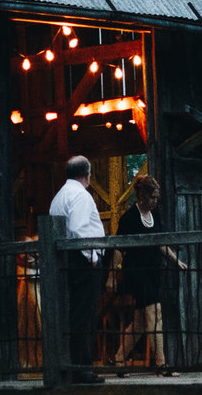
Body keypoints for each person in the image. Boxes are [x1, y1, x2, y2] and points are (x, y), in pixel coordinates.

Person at [111, 173, 189, 368]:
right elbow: (119, 248)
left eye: (157, 198)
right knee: (155, 314)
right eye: (153, 197)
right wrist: (112, 276)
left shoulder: (155, 215)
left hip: (153, 271)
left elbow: (160, 241)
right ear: (143, 196)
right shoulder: (129, 218)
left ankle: (119, 359)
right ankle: (162, 364)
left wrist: (176, 260)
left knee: (139, 323)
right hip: (137, 272)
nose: (155, 201)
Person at [48, 155, 107, 370]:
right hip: (82, 261)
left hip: (67, 261)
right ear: (87, 174)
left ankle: (73, 365)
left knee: (74, 314)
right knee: (86, 314)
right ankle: (83, 368)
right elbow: (79, 229)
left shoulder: (59, 196)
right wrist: (92, 257)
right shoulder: (81, 196)